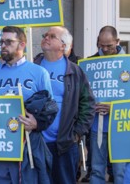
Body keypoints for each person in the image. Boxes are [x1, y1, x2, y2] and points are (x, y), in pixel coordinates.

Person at [0, 26, 53, 184]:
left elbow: (50, 108)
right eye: (1, 42)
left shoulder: (39, 73)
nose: (3, 45)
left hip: (26, 144)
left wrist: (37, 123)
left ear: (22, 44)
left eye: (8, 42)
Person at [33, 26, 96, 183]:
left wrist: (76, 133)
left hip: (64, 144)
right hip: (36, 141)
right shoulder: (32, 67)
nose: (46, 37)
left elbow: (87, 104)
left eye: (52, 36)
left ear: (63, 45)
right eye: (45, 35)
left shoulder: (75, 72)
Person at [89, 25, 126, 184]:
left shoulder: (128, 63)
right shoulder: (90, 63)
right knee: (96, 170)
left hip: (121, 125)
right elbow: (83, 96)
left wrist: (115, 108)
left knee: (120, 172)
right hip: (97, 125)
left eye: (109, 46)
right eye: (101, 45)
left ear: (118, 41)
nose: (104, 49)